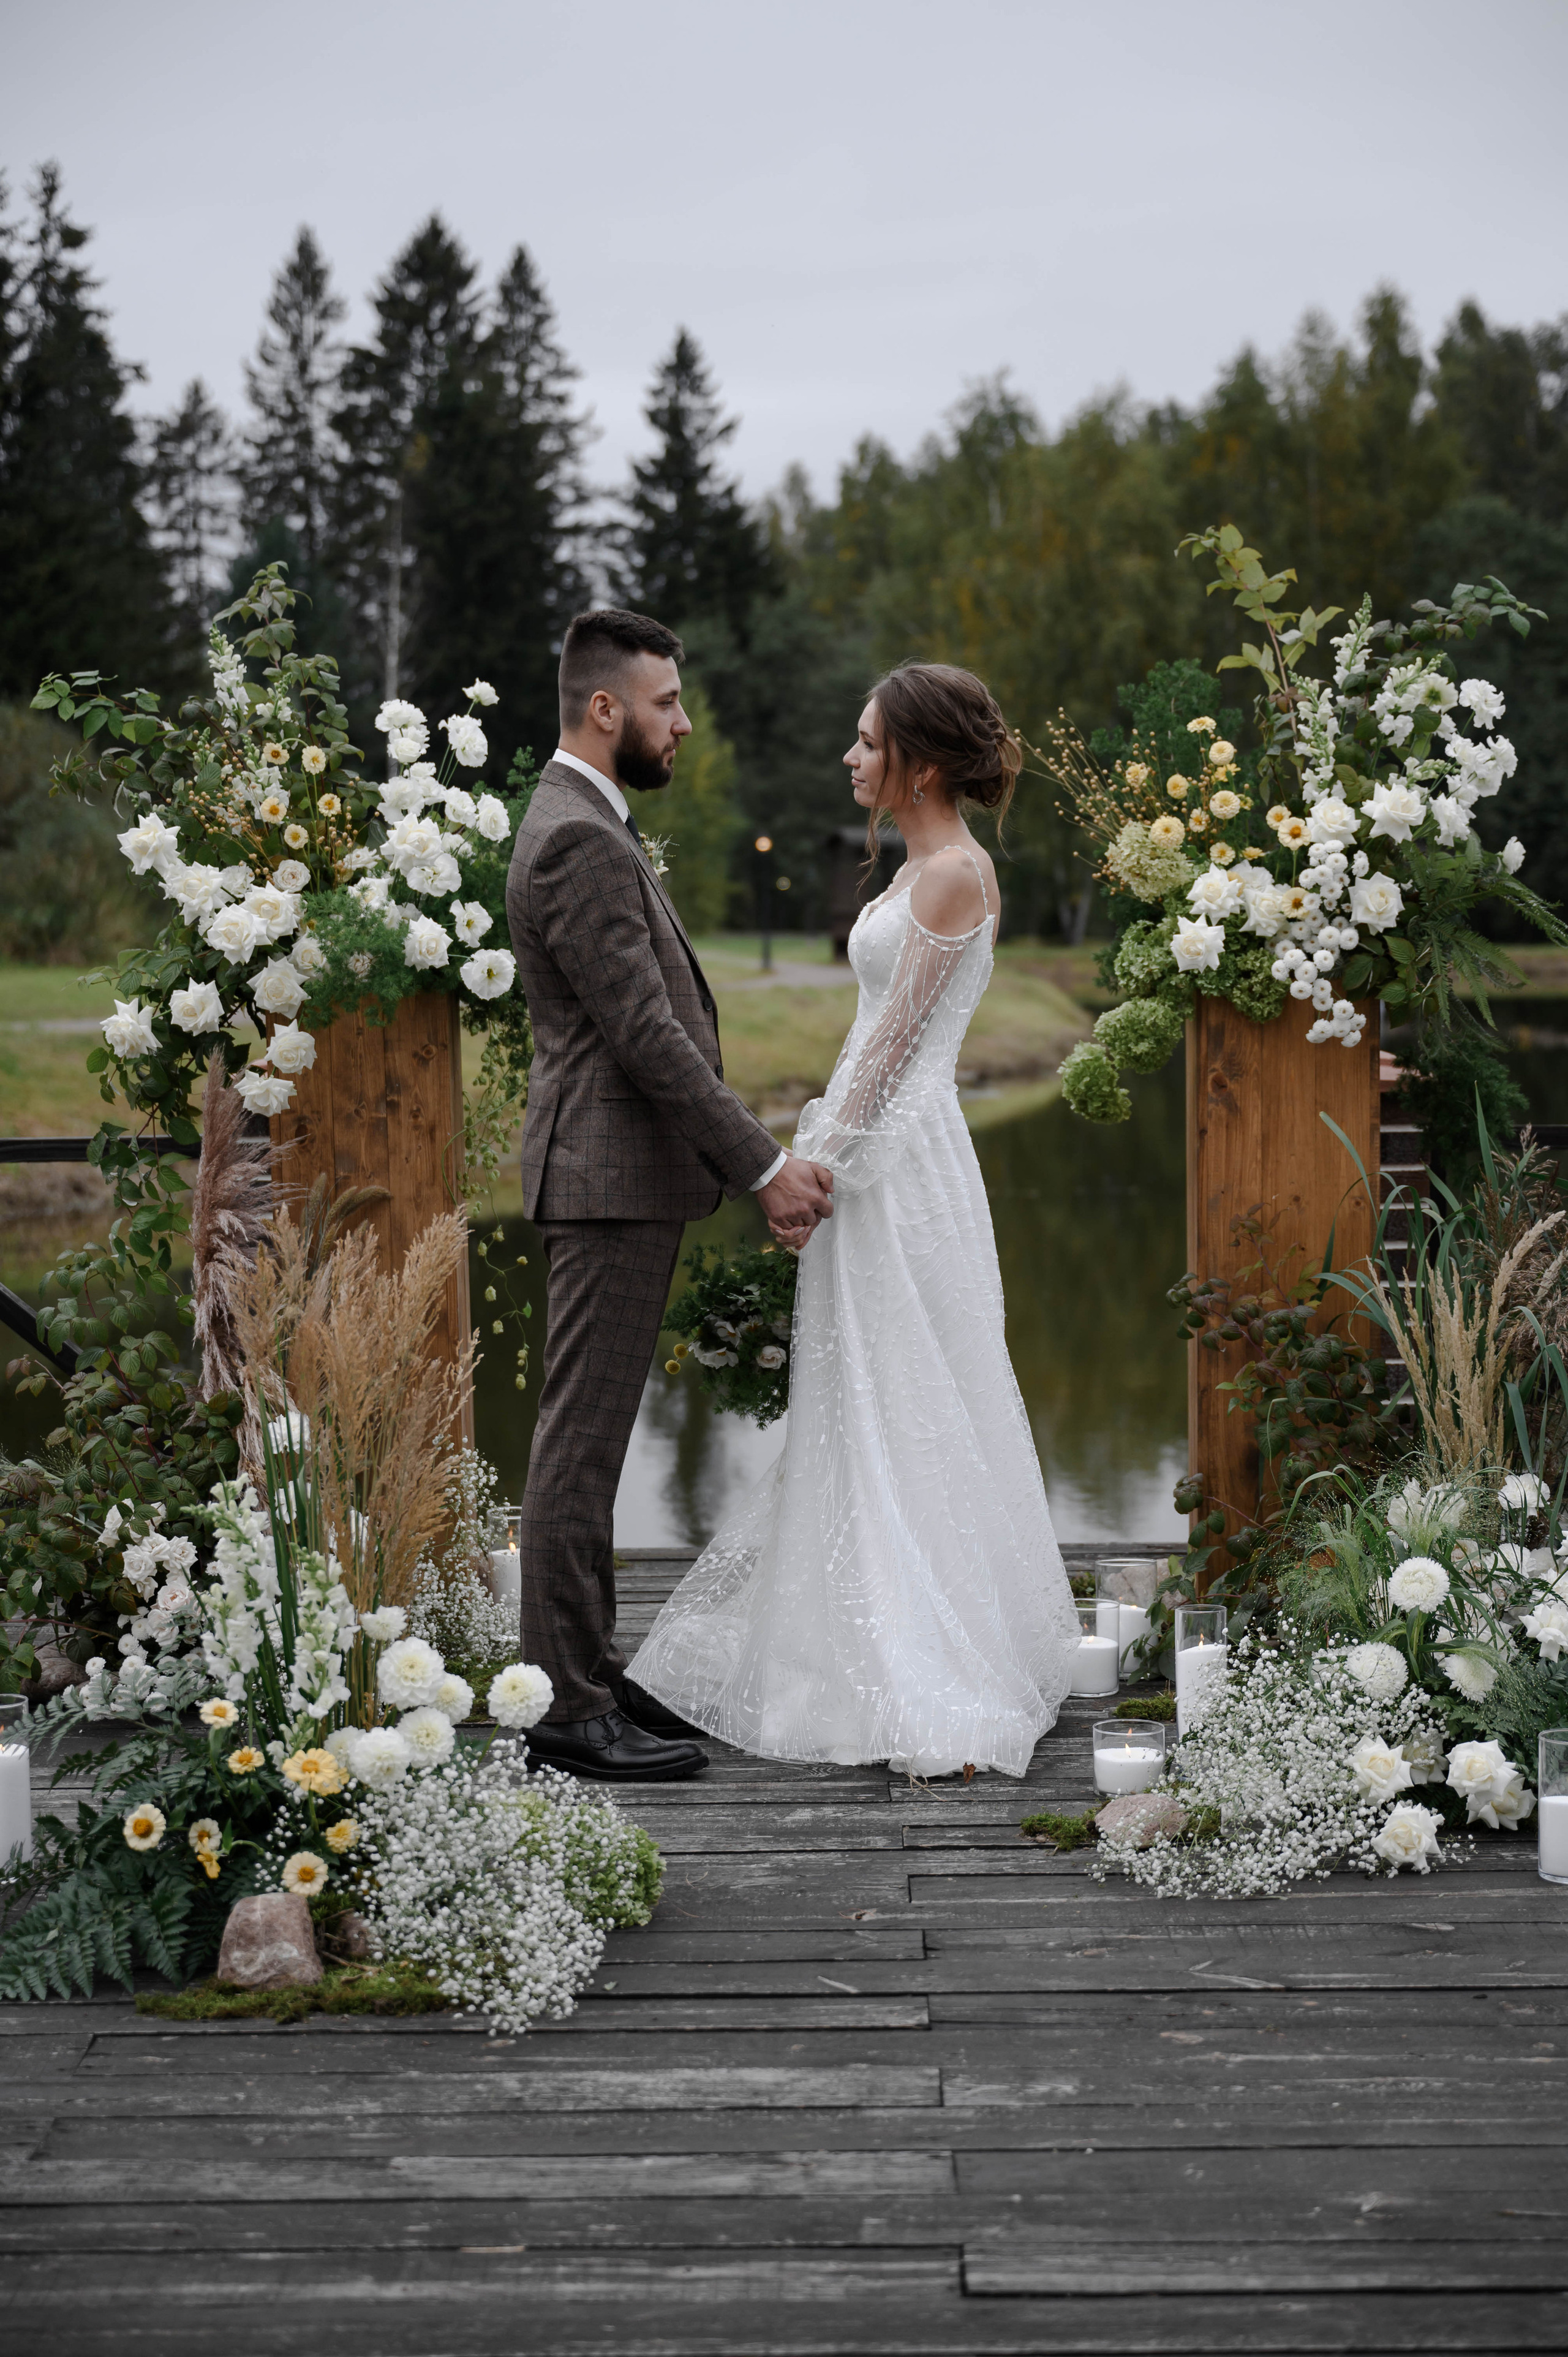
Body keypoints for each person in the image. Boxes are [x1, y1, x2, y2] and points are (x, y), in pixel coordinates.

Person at [630, 663, 1079, 1777]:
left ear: (919, 764)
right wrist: (811, 1155)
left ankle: (933, 1656)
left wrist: (812, 1170)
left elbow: (887, 1060)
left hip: (903, 1164)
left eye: (868, 741)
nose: (850, 756)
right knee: (864, 1387)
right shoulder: (929, 868)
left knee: (910, 1387)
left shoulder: (951, 877)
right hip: (875, 1150)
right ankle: (860, 1625)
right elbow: (867, 1046)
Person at [504, 608, 835, 1783]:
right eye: (667, 704)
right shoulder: (577, 839)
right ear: (606, 709)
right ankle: (561, 1711)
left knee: (583, 1445)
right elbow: (646, 1036)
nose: (683, 725)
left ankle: (586, 1683)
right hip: (606, 1179)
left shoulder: (583, 820)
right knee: (578, 1451)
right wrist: (761, 1165)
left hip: (617, 1179)